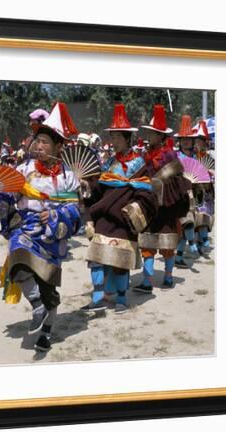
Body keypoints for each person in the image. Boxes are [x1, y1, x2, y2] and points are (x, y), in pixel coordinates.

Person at [0, 102, 82, 352]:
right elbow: (8, 195)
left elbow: (73, 209)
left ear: (59, 147)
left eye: (45, 142)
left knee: (49, 288)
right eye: (36, 140)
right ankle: (36, 305)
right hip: (26, 229)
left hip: (52, 236)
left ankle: (46, 332)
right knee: (17, 262)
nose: (38, 146)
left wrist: (54, 215)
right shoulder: (23, 169)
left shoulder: (67, 177)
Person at [83, 103, 158, 314]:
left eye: (117, 137)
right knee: (96, 256)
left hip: (124, 219)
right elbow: (100, 187)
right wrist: (88, 185)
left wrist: (133, 210)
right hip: (105, 217)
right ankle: (98, 295)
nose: (113, 141)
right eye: (112, 137)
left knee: (120, 262)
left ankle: (122, 299)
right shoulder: (108, 164)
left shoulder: (139, 163)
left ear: (127, 139)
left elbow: (146, 192)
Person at [133, 105, 191, 292]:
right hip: (150, 206)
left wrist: (161, 185)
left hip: (167, 206)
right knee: (148, 244)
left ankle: (168, 277)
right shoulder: (145, 154)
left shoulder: (170, 155)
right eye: (149, 133)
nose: (149, 136)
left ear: (161, 136)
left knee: (167, 245)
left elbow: (176, 179)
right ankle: (147, 281)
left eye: (153, 133)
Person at [173, 115, 200, 268]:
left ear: (192, 142)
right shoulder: (176, 156)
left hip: (193, 194)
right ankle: (192, 244)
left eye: (188, 139)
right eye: (183, 139)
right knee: (187, 221)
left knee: (185, 227)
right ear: (180, 141)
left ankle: (179, 258)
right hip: (180, 194)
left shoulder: (196, 157)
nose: (186, 141)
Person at [192, 119, 215, 255]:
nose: (198, 143)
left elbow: (214, 172)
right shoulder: (192, 157)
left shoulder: (211, 156)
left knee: (205, 215)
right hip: (195, 191)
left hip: (207, 191)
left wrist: (210, 175)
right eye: (196, 140)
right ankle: (198, 242)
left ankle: (203, 240)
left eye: (200, 140)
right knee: (196, 217)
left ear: (205, 142)